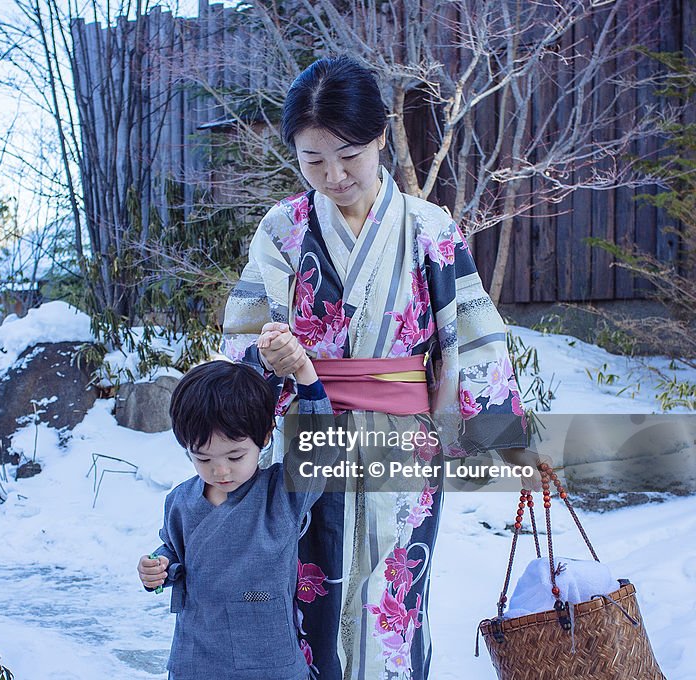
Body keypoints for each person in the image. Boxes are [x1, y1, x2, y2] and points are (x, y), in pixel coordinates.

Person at [221, 56, 542, 679]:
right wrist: (265, 364)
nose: (334, 175)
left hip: (404, 442)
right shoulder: (281, 230)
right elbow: (242, 340)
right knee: (308, 594)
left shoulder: (429, 229)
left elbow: (472, 341)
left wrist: (502, 442)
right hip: (309, 434)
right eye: (313, 160)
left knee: (394, 601)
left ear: (380, 139)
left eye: (349, 154)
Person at [137, 345, 338, 680]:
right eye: (203, 458)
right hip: (196, 659)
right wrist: (157, 567)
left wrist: (304, 371)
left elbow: (320, 447)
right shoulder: (180, 501)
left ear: (264, 437)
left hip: (270, 660)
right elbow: (172, 551)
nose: (220, 471)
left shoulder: (282, 494)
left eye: (234, 456)